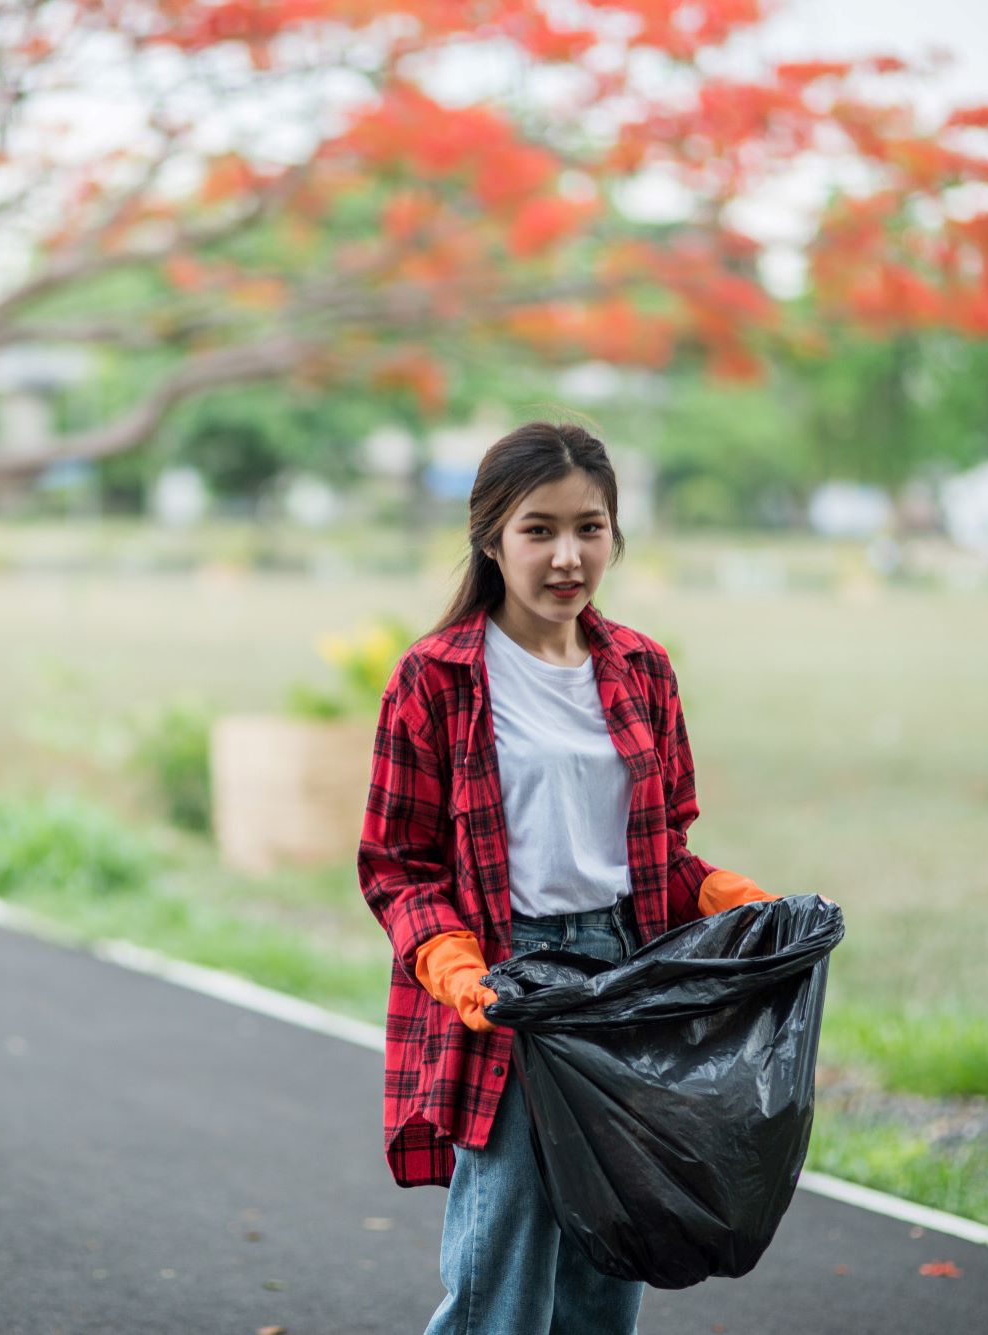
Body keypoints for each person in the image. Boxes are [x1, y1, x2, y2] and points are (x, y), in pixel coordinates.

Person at [357, 420, 789, 1335]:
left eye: (589, 528)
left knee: (607, 1258)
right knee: (499, 1272)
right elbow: (395, 863)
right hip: (505, 985)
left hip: (625, 979)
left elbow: (661, 848)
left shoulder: (640, 669)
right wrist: (451, 962)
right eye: (539, 529)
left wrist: (727, 900)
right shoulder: (435, 681)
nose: (567, 556)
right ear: (490, 537)